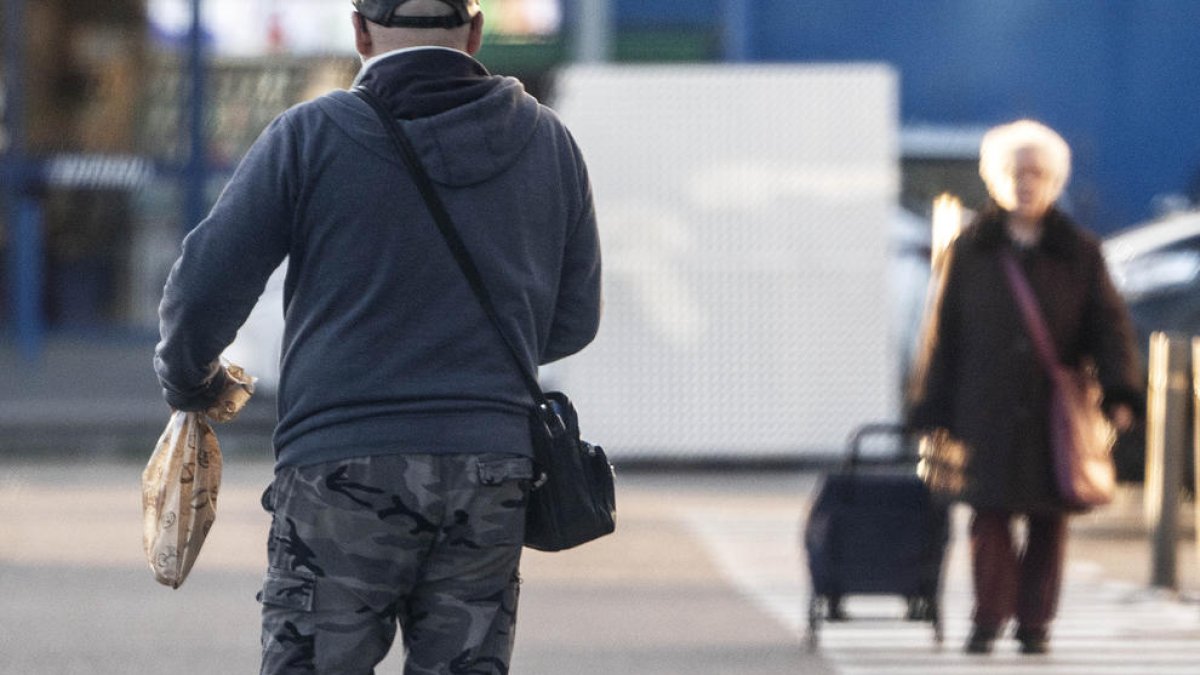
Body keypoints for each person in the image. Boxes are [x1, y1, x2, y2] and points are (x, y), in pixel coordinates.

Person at [153, 0, 602, 671]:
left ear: (359, 31)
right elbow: (574, 319)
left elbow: (202, 288)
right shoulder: (550, 142)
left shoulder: (309, 135)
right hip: (491, 467)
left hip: (342, 468)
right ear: (475, 33)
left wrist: (193, 380)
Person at [906, 119, 1140, 656]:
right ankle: (988, 618)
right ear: (994, 179)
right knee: (987, 518)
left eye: (1037, 172)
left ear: (1055, 180)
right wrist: (930, 404)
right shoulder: (970, 250)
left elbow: (1108, 327)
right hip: (981, 408)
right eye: (1014, 171)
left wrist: (1119, 391)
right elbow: (942, 334)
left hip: (1049, 414)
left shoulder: (1079, 251)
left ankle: (1035, 623)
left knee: (1047, 522)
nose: (1025, 182)